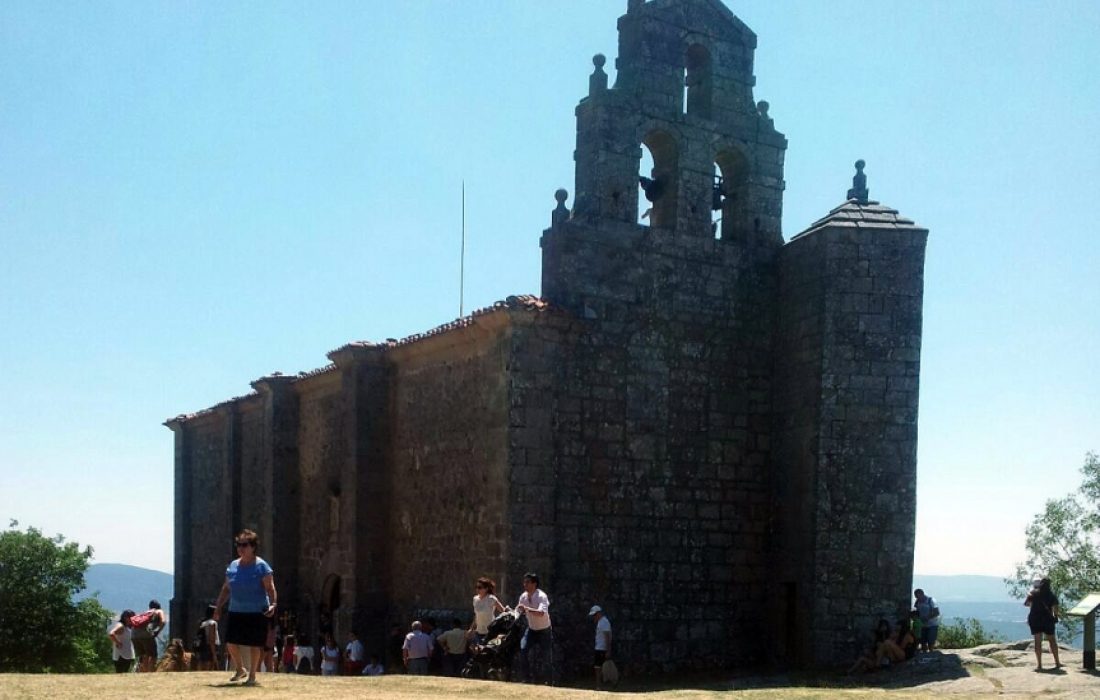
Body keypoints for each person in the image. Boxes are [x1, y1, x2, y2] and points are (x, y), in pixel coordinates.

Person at [213, 529, 278, 686]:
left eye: (244, 545)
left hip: (256, 611)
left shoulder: (262, 566)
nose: (240, 548)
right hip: (236, 610)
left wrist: (273, 604)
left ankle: (252, 676)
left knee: (254, 644)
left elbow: (270, 588)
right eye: (238, 545)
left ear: (253, 547)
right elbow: (226, 589)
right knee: (230, 641)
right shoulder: (233, 566)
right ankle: (240, 669)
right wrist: (218, 607)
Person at [516, 572, 553, 685]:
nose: (525, 584)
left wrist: (526, 608)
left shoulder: (542, 596)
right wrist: (512, 613)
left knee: (546, 657)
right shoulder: (523, 597)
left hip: (544, 630)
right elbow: (518, 612)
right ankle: (525, 679)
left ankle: (549, 682)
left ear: (534, 584)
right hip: (531, 629)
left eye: (527, 582)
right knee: (523, 650)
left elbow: (541, 613)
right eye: (524, 582)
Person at [1025, 577, 1062, 670]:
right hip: (1048, 620)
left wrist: (1030, 594)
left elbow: (1026, 604)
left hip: (1035, 619)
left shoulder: (1033, 593)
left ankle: (1039, 665)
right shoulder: (1051, 595)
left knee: (1037, 642)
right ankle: (1057, 662)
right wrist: (1056, 617)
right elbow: (1056, 609)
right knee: (1052, 641)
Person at [130, 600, 166, 672]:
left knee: (143, 656)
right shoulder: (159, 611)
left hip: (134, 634)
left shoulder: (146, 613)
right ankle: (151, 673)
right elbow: (163, 621)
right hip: (146, 634)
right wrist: (157, 631)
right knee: (153, 655)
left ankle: (143, 673)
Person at [469, 577, 506, 645]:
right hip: (479, 632)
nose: (477, 589)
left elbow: (503, 612)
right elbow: (476, 616)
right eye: (476, 587)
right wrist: (471, 628)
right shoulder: (475, 599)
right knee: (478, 653)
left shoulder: (491, 599)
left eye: (480, 587)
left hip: (490, 633)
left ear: (486, 589)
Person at [589, 605, 612, 689]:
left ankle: (599, 686)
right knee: (598, 667)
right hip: (599, 647)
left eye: (594, 615)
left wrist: (608, 650)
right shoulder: (601, 622)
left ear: (598, 613)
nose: (594, 617)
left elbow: (607, 636)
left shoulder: (604, 622)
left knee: (598, 668)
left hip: (602, 648)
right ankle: (599, 685)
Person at [195, 604, 220, 671]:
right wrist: (214, 654)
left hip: (202, 648)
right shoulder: (212, 623)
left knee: (202, 666)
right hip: (210, 648)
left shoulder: (203, 623)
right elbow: (212, 639)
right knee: (210, 668)